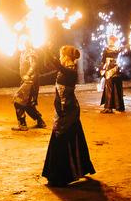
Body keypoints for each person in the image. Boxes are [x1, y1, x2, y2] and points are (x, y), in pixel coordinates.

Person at [41, 45, 96, 186]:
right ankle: (79, 168)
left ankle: (61, 175)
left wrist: (50, 53)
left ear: (66, 56)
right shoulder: (64, 69)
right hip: (63, 110)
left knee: (62, 140)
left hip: (68, 111)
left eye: (61, 54)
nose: (60, 57)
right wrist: (44, 50)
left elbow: (59, 67)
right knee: (74, 139)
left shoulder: (71, 70)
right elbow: (49, 64)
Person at [12, 41, 46, 130]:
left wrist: (28, 74)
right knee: (28, 104)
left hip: (30, 80)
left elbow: (33, 65)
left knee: (18, 101)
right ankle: (40, 122)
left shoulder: (30, 52)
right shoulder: (24, 53)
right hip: (26, 80)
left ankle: (22, 124)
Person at [99, 35, 125, 113]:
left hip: (111, 69)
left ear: (112, 40)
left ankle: (108, 107)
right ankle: (118, 106)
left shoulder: (107, 49)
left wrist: (102, 69)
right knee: (115, 87)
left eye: (110, 40)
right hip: (115, 68)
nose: (109, 41)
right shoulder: (118, 49)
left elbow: (103, 60)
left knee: (109, 88)